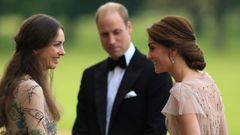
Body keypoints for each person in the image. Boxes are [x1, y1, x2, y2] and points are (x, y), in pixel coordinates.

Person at [72, 2, 172, 135]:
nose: (111, 40)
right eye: (105, 34)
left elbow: (156, 129)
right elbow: (80, 129)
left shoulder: (156, 72)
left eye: (116, 32)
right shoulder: (89, 75)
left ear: (129, 27)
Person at [147, 15, 228, 135]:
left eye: (152, 48)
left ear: (173, 50)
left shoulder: (181, 92)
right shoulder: (207, 80)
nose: (148, 56)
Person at [0, 13, 65, 135]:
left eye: (62, 44)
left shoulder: (18, 81)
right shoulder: (31, 88)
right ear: (36, 47)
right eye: (56, 45)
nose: (63, 52)